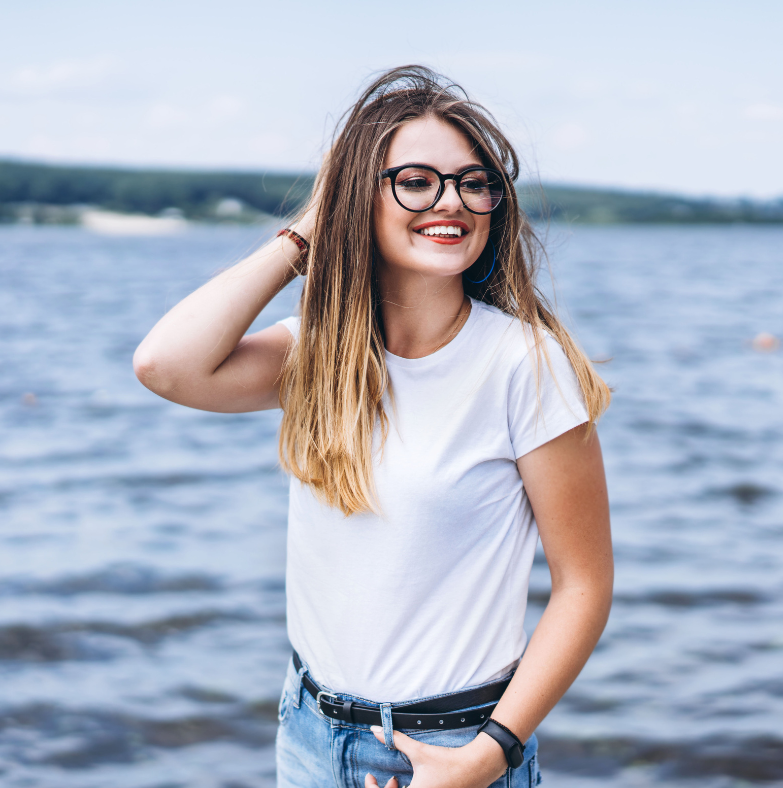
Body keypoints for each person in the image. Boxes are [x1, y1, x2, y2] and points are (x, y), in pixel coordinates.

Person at [134, 65, 613, 788]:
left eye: (473, 181)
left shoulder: (524, 366)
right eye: (415, 180)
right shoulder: (317, 356)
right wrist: (305, 234)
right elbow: (165, 366)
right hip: (307, 732)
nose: (451, 201)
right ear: (357, 198)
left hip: (449, 748)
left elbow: (584, 586)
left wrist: (487, 756)